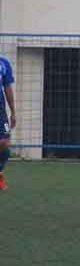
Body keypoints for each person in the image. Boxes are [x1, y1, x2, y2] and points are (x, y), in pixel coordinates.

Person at [0, 55, 16, 190]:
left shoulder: (3, 62)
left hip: (0, 111)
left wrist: (13, 112)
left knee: (4, 144)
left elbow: (7, 88)